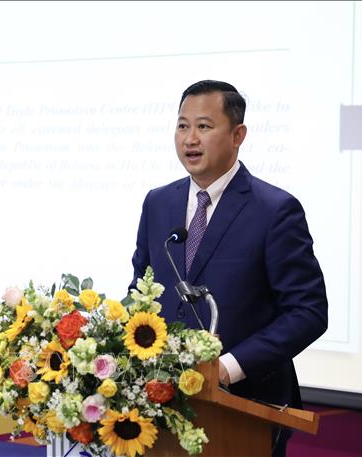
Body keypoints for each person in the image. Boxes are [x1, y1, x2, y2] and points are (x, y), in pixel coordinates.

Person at [129, 80, 328, 456]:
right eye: (182, 126)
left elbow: (308, 312)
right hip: (159, 403)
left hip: (246, 406)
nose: (190, 139)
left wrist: (227, 367)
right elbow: (142, 287)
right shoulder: (158, 202)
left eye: (203, 126)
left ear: (238, 135)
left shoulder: (275, 210)